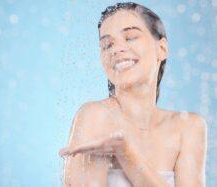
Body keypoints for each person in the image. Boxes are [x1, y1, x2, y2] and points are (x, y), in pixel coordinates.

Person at [59, 2, 207, 187]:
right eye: (107, 44)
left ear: (161, 49)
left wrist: (126, 153)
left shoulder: (188, 127)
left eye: (129, 37)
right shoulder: (95, 117)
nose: (116, 49)